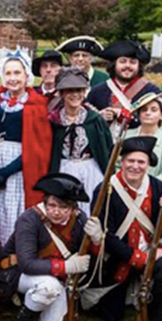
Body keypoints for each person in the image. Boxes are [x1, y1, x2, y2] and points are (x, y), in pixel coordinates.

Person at [86, 136, 162, 321]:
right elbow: (107, 236)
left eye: (141, 162)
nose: (135, 166)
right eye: (130, 161)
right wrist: (140, 258)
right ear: (121, 162)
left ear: (148, 165)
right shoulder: (106, 189)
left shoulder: (159, 188)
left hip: (152, 253)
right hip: (118, 259)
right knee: (111, 315)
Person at [0, 173, 99, 321]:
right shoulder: (29, 219)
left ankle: (36, 303)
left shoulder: (80, 219)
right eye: (52, 205)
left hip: (55, 277)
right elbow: (26, 264)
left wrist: (97, 239)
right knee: (48, 287)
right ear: (45, 202)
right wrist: (66, 267)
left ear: (73, 208)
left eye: (63, 207)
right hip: (18, 274)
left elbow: (90, 253)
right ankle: (24, 320)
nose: (56, 212)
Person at [0, 52, 52, 246]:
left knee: (13, 212)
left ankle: (12, 254)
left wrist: (7, 171)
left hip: (20, 168)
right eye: (9, 73)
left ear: (26, 76)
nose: (13, 78)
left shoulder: (36, 105)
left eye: (17, 73)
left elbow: (37, 147)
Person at [48, 67, 113, 215]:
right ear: (62, 93)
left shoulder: (94, 120)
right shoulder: (54, 121)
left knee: (92, 208)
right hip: (64, 169)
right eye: (70, 90)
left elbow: (106, 149)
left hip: (90, 169)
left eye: (79, 90)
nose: (75, 95)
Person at [89, 40, 158, 138]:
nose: (128, 66)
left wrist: (122, 114)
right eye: (123, 61)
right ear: (114, 64)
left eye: (133, 62)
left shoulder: (151, 91)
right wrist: (99, 117)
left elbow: (158, 121)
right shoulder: (97, 92)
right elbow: (86, 120)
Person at [126, 92, 162, 182]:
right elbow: (117, 165)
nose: (148, 113)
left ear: (161, 115)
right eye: (144, 110)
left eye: (153, 110)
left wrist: (148, 186)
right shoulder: (126, 136)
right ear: (139, 114)